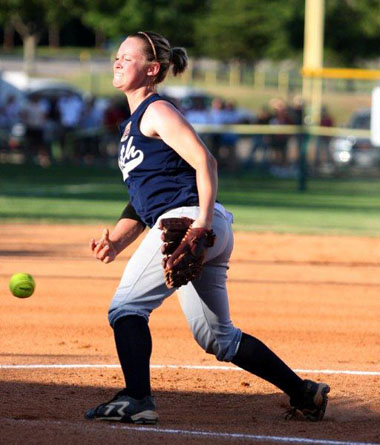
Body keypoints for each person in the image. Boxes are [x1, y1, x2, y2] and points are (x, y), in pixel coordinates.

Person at [85, 31, 330, 425]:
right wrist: (116, 240)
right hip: (198, 225)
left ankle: (137, 398)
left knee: (127, 308)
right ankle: (304, 393)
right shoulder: (131, 126)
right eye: (116, 56)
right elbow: (142, 199)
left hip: (190, 223)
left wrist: (198, 224)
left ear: (151, 70)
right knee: (219, 338)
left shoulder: (156, 111)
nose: (117, 62)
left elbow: (206, 162)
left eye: (127, 58)